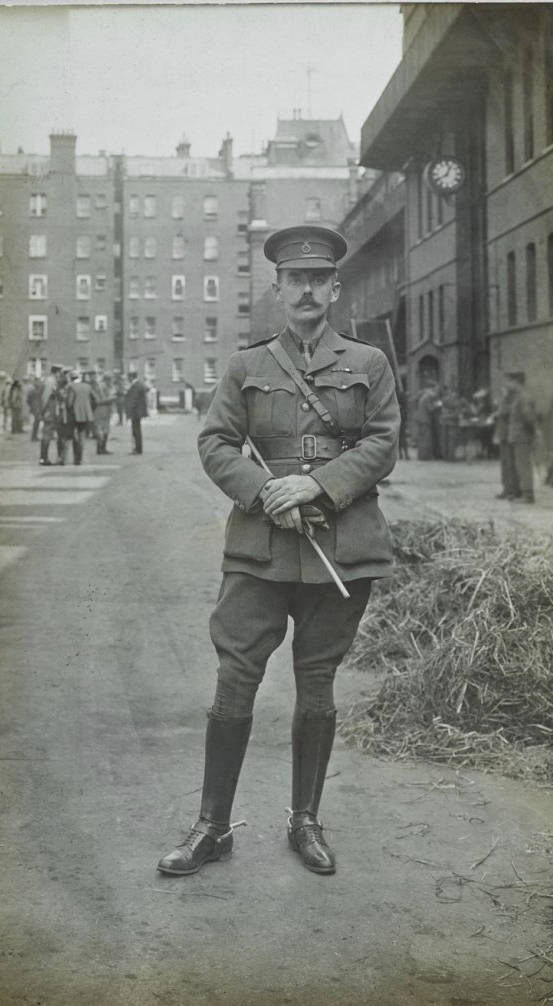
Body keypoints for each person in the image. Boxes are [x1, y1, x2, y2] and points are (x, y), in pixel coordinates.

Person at [157, 225, 400, 878]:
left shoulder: (370, 364)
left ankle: (305, 821)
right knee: (235, 676)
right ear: (279, 288)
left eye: (319, 279)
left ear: (335, 289)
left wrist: (317, 485)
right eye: (296, 280)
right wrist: (268, 492)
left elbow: (383, 444)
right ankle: (212, 827)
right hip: (260, 552)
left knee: (317, 681)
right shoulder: (247, 366)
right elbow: (215, 443)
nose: (308, 290)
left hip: (337, 547)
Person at [506, 371, 537, 503]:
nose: (507, 384)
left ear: (516, 382)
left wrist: (532, 433)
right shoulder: (517, 396)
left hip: (522, 436)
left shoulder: (523, 396)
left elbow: (528, 417)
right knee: (519, 465)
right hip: (517, 436)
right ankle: (523, 493)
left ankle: (528, 495)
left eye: (509, 381)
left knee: (523, 465)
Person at [65, 370, 95, 465]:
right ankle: (81, 458)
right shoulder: (88, 386)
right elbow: (95, 399)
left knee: (75, 436)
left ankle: (76, 458)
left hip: (75, 415)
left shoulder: (72, 387)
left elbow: (69, 402)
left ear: (71, 378)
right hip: (86, 414)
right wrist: (89, 409)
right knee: (82, 436)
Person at [124, 371, 149, 454]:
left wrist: (129, 412)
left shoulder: (135, 386)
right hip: (139, 411)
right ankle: (138, 448)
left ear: (132, 377)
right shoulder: (139, 384)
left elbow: (132, 400)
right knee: (137, 430)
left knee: (135, 431)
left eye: (129, 377)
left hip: (135, 411)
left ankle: (137, 449)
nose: (128, 379)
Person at [414, 382, 440, 460]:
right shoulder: (428, 397)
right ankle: (426, 457)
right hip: (425, 420)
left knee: (421, 438)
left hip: (420, 419)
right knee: (426, 438)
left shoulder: (423, 396)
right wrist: (438, 404)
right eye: (434, 389)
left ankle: (421, 456)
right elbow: (430, 408)